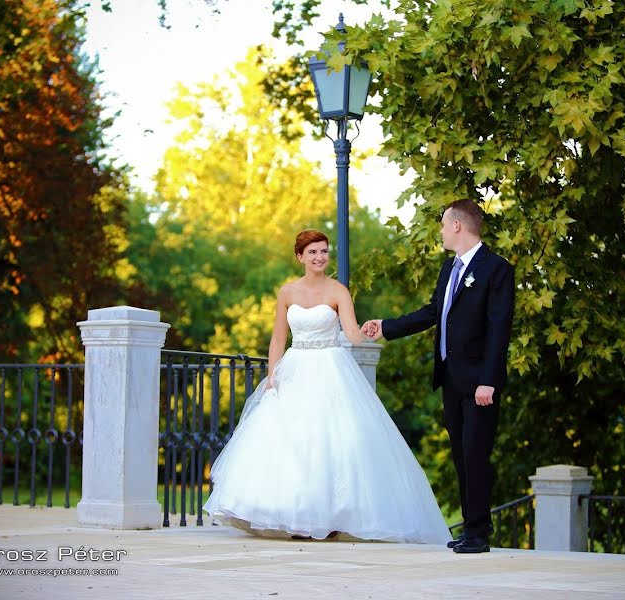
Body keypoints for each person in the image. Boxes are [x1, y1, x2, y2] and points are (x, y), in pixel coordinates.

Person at [203, 229, 450, 544]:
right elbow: (278, 338)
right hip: (295, 368)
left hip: (330, 368)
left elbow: (352, 333)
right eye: (313, 252)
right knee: (293, 443)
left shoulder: (338, 291)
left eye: (324, 251)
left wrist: (374, 329)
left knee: (329, 442)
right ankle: (297, 516)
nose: (320, 257)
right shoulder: (287, 292)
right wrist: (272, 375)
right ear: (300, 257)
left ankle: (328, 518)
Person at [362, 199, 514, 554]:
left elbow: (499, 328)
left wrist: (489, 380)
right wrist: (386, 327)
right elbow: (433, 312)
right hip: (450, 376)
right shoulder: (449, 269)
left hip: (480, 380)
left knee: (476, 453)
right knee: (461, 455)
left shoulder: (496, 269)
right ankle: (471, 527)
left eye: (444, 225)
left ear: (458, 226)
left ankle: (478, 534)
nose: (442, 231)